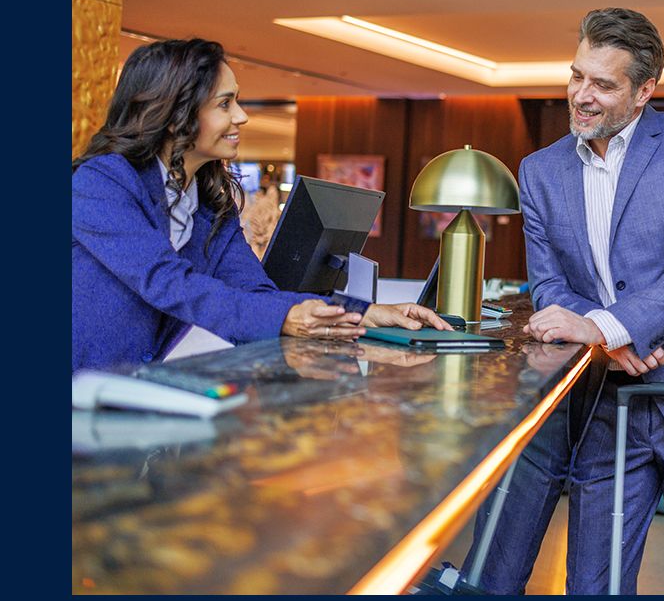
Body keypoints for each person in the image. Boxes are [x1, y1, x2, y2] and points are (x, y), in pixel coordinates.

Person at [474, 8, 664, 595]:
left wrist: (609, 327)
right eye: (576, 76)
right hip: (604, 402)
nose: (581, 97)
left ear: (644, 91)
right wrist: (606, 340)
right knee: (592, 584)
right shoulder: (538, 171)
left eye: (603, 84)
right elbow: (548, 286)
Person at [72, 38, 448, 372]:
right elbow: (167, 282)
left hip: (115, 395)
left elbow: (257, 293)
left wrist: (363, 313)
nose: (242, 115)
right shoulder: (100, 182)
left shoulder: (206, 206)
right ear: (174, 117)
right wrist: (286, 316)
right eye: (225, 103)